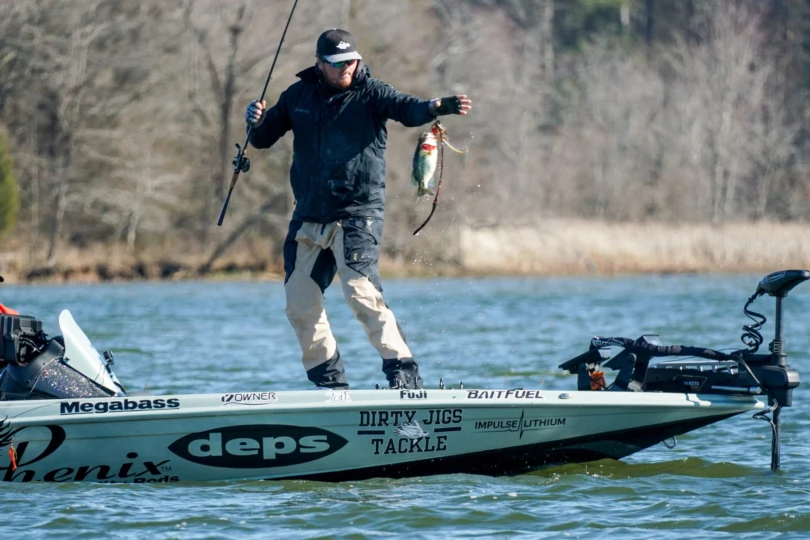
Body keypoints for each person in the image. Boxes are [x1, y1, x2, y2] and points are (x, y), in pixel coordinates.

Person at [245, 28, 472, 390]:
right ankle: (330, 386)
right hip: (309, 216)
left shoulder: (373, 93)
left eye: (351, 61)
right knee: (300, 304)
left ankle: (404, 376)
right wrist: (254, 121)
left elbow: (408, 109)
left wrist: (436, 107)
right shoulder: (297, 96)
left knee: (360, 294)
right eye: (337, 64)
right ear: (319, 64)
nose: (346, 69)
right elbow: (261, 139)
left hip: (357, 215)